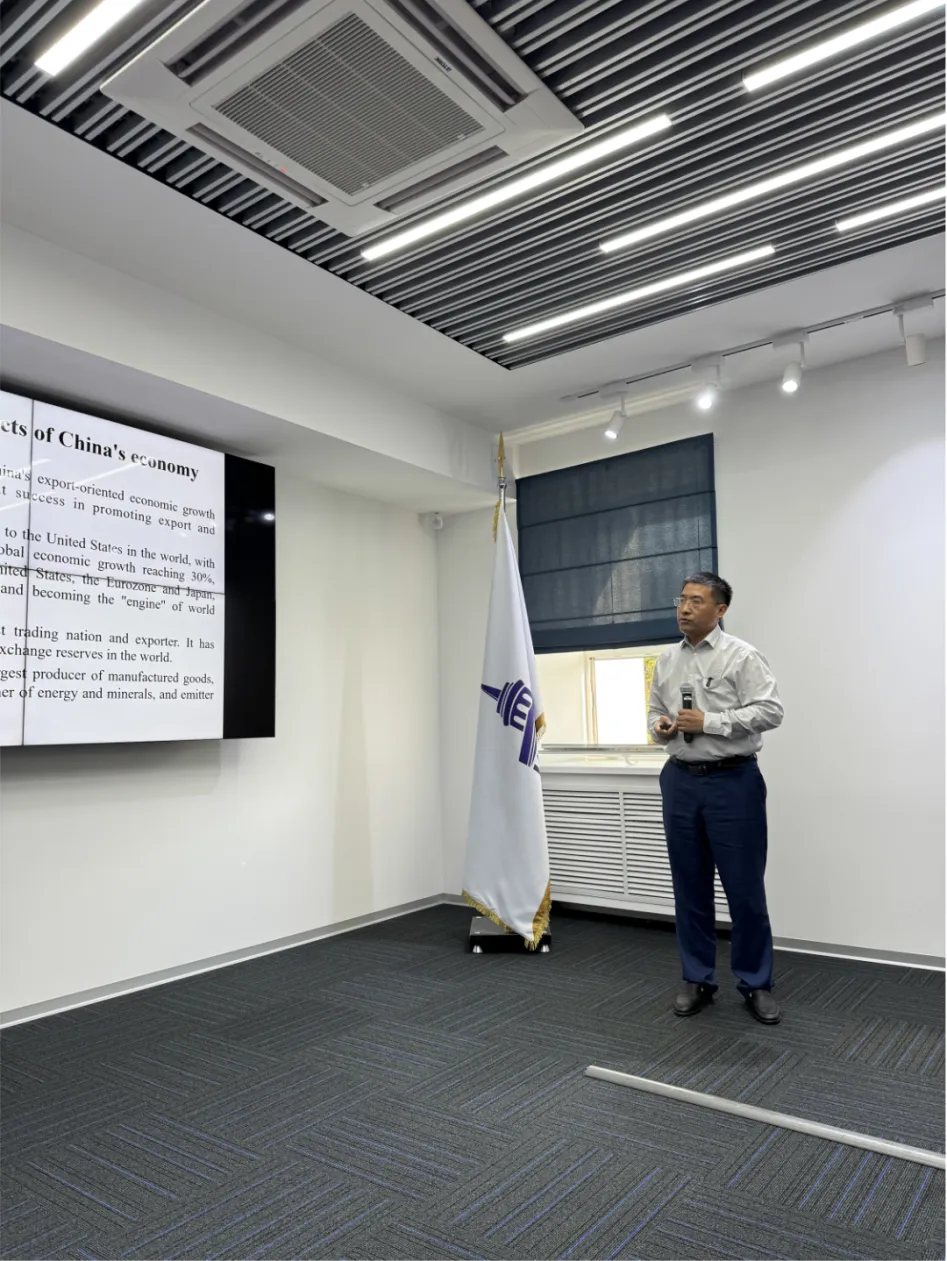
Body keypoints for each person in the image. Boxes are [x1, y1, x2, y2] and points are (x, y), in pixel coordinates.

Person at [648, 573, 784, 1024]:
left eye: (696, 601)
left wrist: (709, 722)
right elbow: (655, 712)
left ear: (720, 610)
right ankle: (697, 978)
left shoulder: (742, 656)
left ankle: (756, 982)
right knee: (689, 887)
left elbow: (770, 711)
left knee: (744, 890)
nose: (684, 608)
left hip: (732, 782)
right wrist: (661, 727)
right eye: (681, 600)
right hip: (680, 781)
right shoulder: (666, 661)